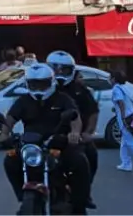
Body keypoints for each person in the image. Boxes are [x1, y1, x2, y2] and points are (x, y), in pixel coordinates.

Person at [3, 63, 91, 215]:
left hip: (58, 142)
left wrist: (74, 133)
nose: (37, 88)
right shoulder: (23, 101)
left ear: (51, 82)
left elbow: (75, 118)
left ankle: (80, 201)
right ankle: (23, 196)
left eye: (42, 84)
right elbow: (10, 118)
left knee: (80, 160)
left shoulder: (62, 98)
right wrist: (4, 133)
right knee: (10, 160)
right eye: (33, 84)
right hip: (31, 145)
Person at [48, 51, 99, 210]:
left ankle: (84, 193)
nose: (60, 73)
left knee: (90, 155)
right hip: (47, 136)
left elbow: (93, 112)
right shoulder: (42, 87)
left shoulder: (80, 90)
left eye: (64, 69)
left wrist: (87, 133)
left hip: (74, 138)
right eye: (55, 69)